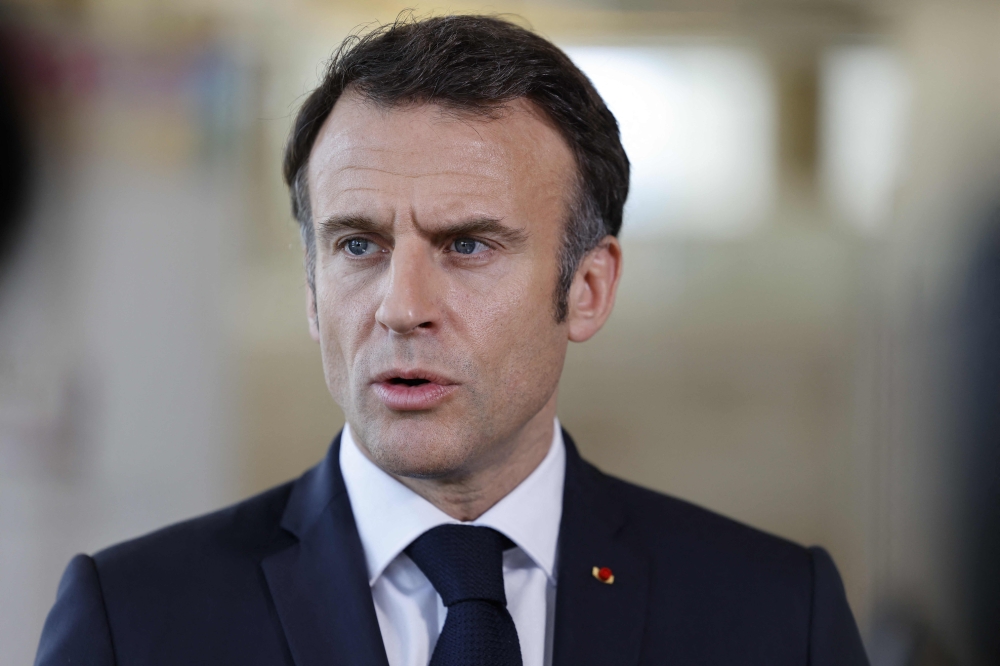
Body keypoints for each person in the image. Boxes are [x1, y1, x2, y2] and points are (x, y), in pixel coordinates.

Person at [34, 15, 869, 666]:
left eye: (468, 245)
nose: (402, 307)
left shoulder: (773, 615)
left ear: (588, 288)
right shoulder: (134, 621)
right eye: (357, 244)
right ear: (312, 289)